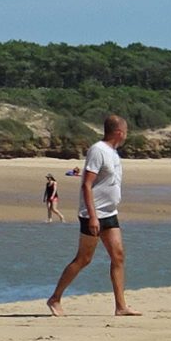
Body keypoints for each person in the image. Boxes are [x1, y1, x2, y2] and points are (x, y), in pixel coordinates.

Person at [48, 115, 135, 316]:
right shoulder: (98, 150)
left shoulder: (113, 153)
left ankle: (121, 306)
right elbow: (87, 184)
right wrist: (93, 217)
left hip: (110, 213)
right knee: (84, 259)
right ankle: (55, 298)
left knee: (118, 256)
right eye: (126, 130)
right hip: (93, 214)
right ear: (119, 132)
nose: (127, 134)